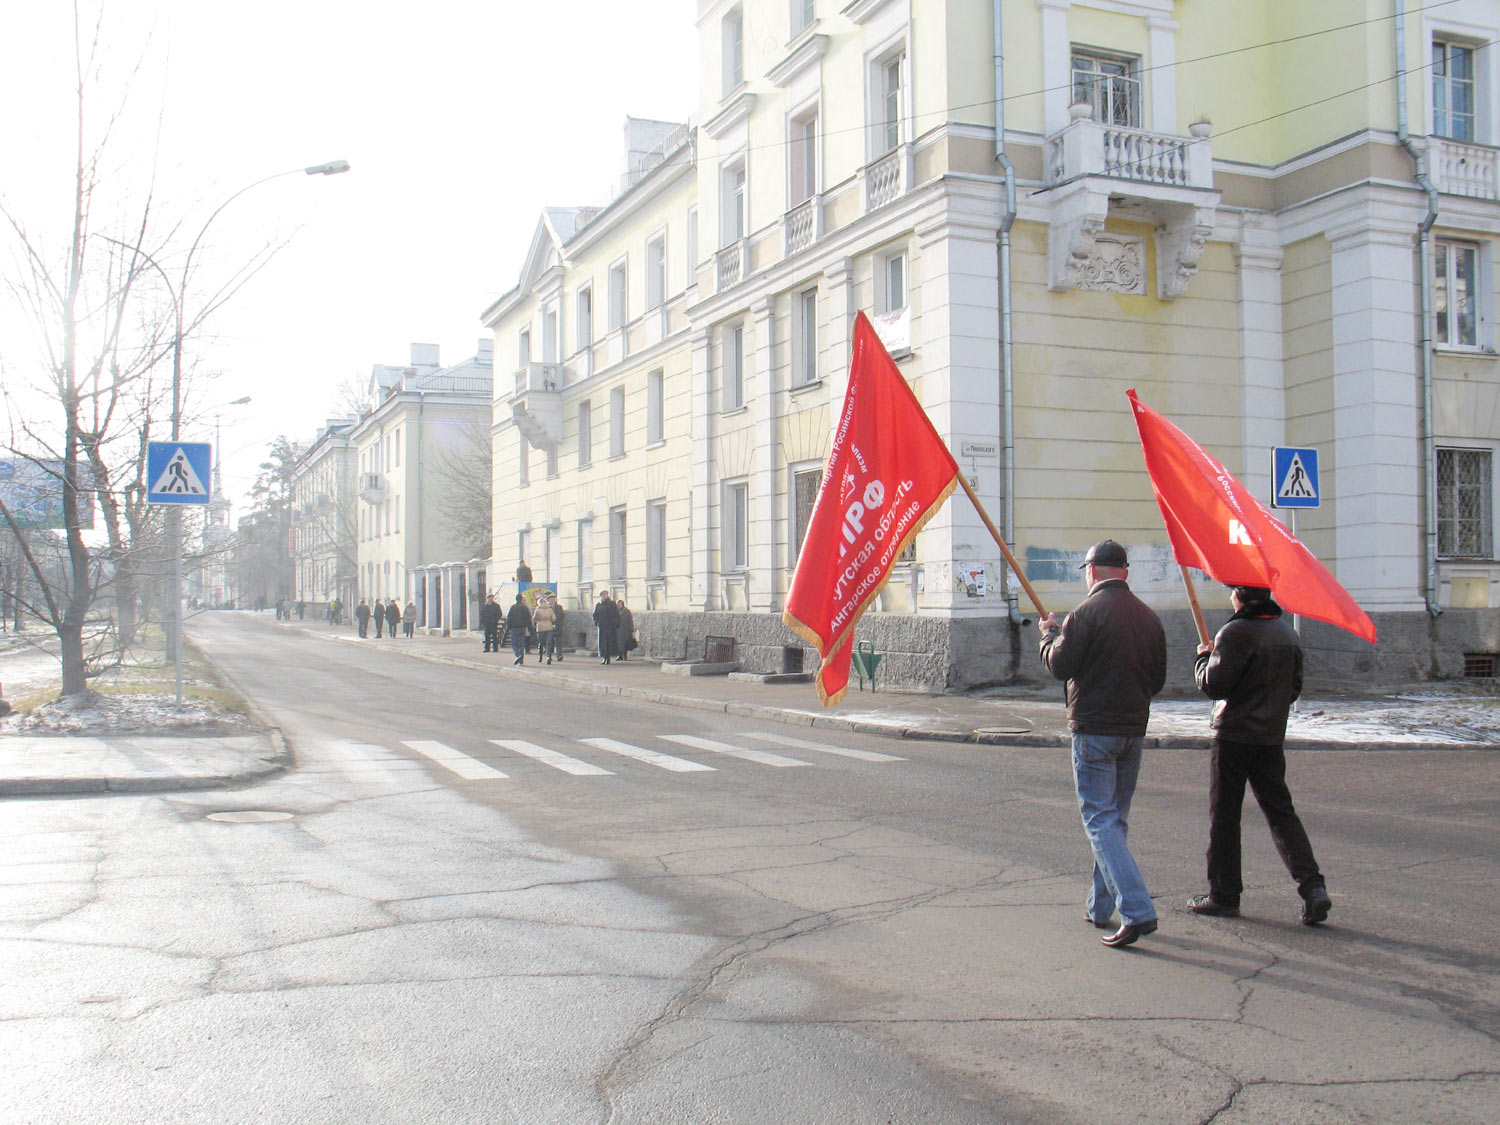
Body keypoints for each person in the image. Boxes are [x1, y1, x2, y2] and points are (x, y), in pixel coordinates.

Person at [1039, 539, 1167, 950]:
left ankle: (1137, 910)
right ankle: (1099, 906)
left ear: (1091, 571)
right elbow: (1159, 680)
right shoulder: (1149, 618)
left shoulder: (1084, 615)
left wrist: (1049, 636)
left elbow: (1060, 665)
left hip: (1094, 729)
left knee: (1099, 819)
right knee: (1115, 820)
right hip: (1133, 731)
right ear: (1125, 572)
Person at [1190, 585, 1332, 925]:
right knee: (1282, 814)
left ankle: (1224, 895)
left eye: (1232, 592)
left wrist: (1201, 659)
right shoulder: (1286, 632)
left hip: (1234, 736)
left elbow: (1214, 685)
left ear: (1240, 597)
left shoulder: (1235, 632)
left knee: (1225, 816)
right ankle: (1313, 887)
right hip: (1269, 736)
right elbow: (1294, 687)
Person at [593, 590, 620, 665]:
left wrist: (615, 623)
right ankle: (604, 657)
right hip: (602, 627)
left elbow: (616, 614)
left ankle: (608, 658)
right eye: (603, 595)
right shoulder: (599, 605)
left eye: (605, 595)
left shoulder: (612, 604)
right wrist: (596, 622)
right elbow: (595, 615)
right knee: (603, 643)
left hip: (610, 627)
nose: (604, 596)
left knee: (609, 643)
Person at [505, 594, 533, 665]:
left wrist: (509, 627)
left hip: (515, 628)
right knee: (521, 645)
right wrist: (529, 627)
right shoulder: (525, 607)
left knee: (514, 643)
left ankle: (518, 655)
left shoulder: (513, 607)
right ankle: (521, 661)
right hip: (523, 628)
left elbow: (509, 618)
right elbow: (528, 618)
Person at [532, 594, 557, 664]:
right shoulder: (550, 609)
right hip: (549, 627)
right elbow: (554, 618)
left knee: (541, 643)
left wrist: (538, 620)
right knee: (549, 643)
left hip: (540, 627)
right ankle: (548, 656)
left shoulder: (538, 610)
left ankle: (540, 657)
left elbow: (534, 619)